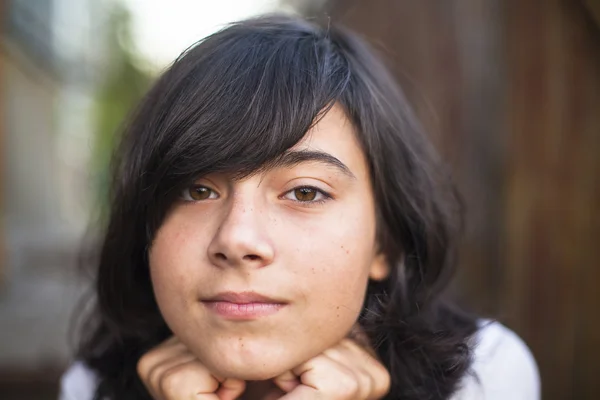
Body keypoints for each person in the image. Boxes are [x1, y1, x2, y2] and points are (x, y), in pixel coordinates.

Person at [59, 14, 539, 400]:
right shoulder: (93, 387)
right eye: (196, 190)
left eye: (305, 192)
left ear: (384, 242)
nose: (237, 239)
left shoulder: (484, 376)